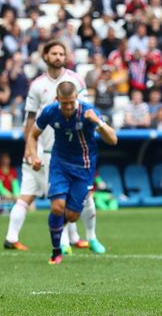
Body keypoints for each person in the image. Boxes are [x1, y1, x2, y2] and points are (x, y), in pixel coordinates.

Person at [3, 40, 106, 254]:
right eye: (54, 53)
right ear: (45, 57)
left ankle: (83, 237)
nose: (58, 57)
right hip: (45, 150)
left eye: (61, 53)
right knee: (54, 197)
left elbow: (85, 113)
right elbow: (30, 118)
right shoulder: (37, 85)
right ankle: (66, 243)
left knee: (55, 196)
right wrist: (29, 149)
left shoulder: (75, 80)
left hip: (73, 151)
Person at [26, 81, 118, 264]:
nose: (68, 107)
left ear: (77, 98)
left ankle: (62, 230)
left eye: (71, 102)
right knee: (57, 207)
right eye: (64, 103)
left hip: (84, 167)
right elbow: (32, 135)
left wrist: (98, 122)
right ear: (57, 99)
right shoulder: (50, 111)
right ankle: (56, 251)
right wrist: (33, 156)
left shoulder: (88, 112)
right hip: (59, 164)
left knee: (71, 215)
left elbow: (113, 139)